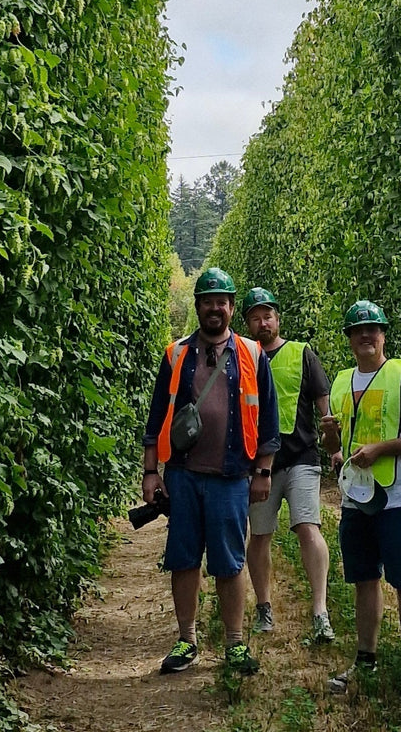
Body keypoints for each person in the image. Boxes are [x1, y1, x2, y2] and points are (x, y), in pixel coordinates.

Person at [141, 267, 280, 676]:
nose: (214, 308)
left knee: (229, 561)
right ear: (199, 307)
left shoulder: (252, 354)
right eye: (208, 301)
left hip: (231, 477)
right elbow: (156, 418)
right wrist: (152, 472)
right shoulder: (176, 354)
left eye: (222, 301)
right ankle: (187, 640)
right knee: (183, 559)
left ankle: (234, 644)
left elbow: (269, 419)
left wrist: (264, 472)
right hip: (183, 475)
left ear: (232, 308)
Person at [320, 300, 401, 698]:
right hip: (356, 498)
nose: (366, 336)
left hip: (398, 497)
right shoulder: (340, 383)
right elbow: (336, 445)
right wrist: (332, 440)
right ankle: (365, 659)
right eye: (358, 330)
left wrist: (381, 449)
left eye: (373, 329)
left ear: (383, 334)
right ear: (350, 339)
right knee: (364, 579)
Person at [242, 287, 335, 644]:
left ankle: (320, 611)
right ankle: (264, 608)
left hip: (300, 457)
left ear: (277, 319)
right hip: (256, 464)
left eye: (268, 316)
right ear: (247, 322)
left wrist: (333, 442)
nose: (263, 322)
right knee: (260, 535)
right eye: (255, 317)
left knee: (308, 527)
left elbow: (322, 403)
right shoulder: (242, 357)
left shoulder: (301, 354)